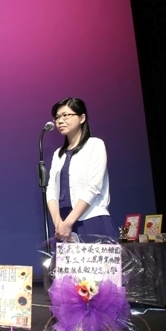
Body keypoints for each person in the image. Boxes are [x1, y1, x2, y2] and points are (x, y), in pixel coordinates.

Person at [46, 97, 116, 241]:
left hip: (91, 219)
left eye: (66, 115)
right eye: (57, 117)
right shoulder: (58, 154)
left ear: (82, 118)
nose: (60, 121)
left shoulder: (95, 145)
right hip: (63, 224)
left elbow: (93, 187)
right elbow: (51, 190)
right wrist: (58, 222)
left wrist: (69, 222)